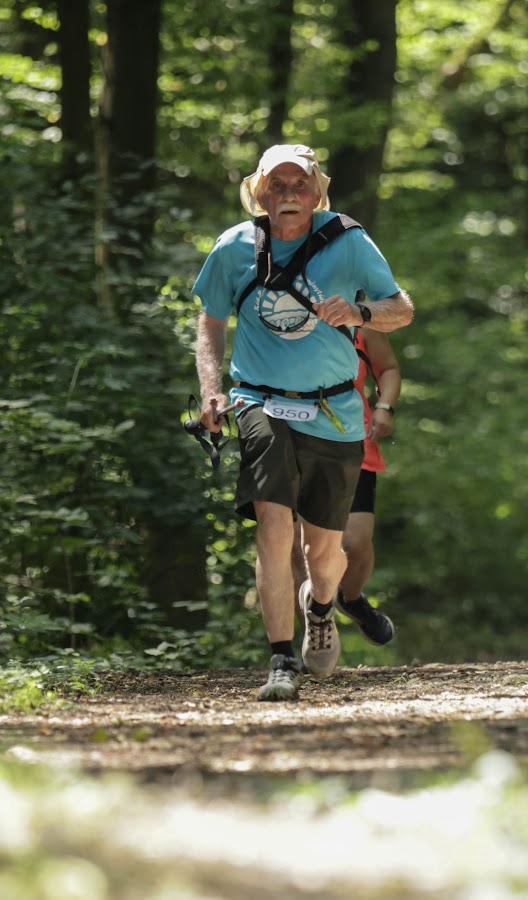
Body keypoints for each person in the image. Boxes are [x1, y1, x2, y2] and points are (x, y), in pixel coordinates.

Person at [192, 143, 413, 701]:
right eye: (277, 184)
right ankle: (281, 660)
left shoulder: (349, 241)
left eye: (299, 184)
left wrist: (360, 312)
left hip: (335, 410)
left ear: (316, 193)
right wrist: (212, 390)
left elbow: (402, 309)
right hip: (259, 401)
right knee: (273, 525)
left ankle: (320, 607)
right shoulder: (234, 247)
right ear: (259, 192)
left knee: (324, 551)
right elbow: (211, 321)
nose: (289, 193)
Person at [292, 326, 401, 646]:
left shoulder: (360, 317)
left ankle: (351, 598)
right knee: (299, 550)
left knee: (355, 543)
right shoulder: (279, 311)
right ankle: (315, 639)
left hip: (352, 437)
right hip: (294, 438)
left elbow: (389, 367)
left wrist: (385, 407)